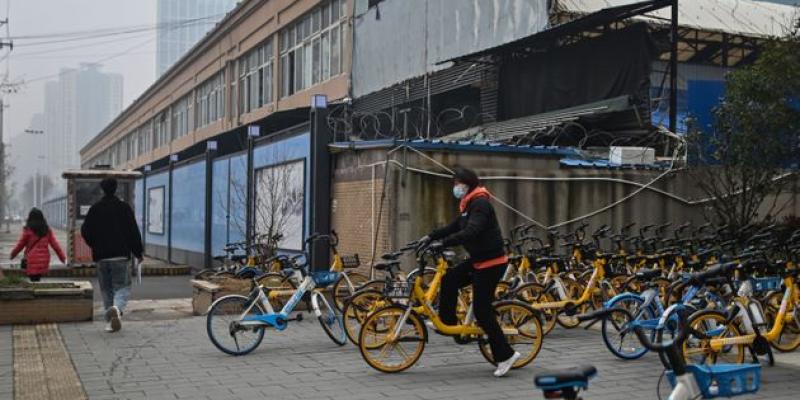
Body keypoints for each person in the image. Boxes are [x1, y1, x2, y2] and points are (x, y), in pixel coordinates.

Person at [420, 166, 520, 377]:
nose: (455, 187)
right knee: (449, 280)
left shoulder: (480, 204)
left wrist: (444, 243)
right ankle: (448, 324)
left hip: (492, 263)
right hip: (478, 260)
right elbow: (454, 226)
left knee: (483, 311)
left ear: (467, 184)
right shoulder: (468, 205)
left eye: (457, 183)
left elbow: (471, 231)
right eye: (454, 183)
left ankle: (506, 356)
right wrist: (431, 237)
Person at [81, 178, 143, 333]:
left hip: (102, 257)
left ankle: (110, 322)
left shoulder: (95, 209)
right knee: (122, 287)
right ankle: (117, 309)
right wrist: (138, 252)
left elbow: (85, 231)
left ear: (102, 189)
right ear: (116, 189)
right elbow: (133, 232)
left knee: (106, 290)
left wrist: (95, 245)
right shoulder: (124, 208)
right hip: (121, 256)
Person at [10, 208, 66, 282]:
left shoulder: (28, 230)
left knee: (33, 280)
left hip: (31, 260)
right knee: (37, 279)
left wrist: (12, 255)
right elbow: (55, 245)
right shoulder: (47, 230)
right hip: (44, 260)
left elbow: (20, 245)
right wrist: (62, 257)